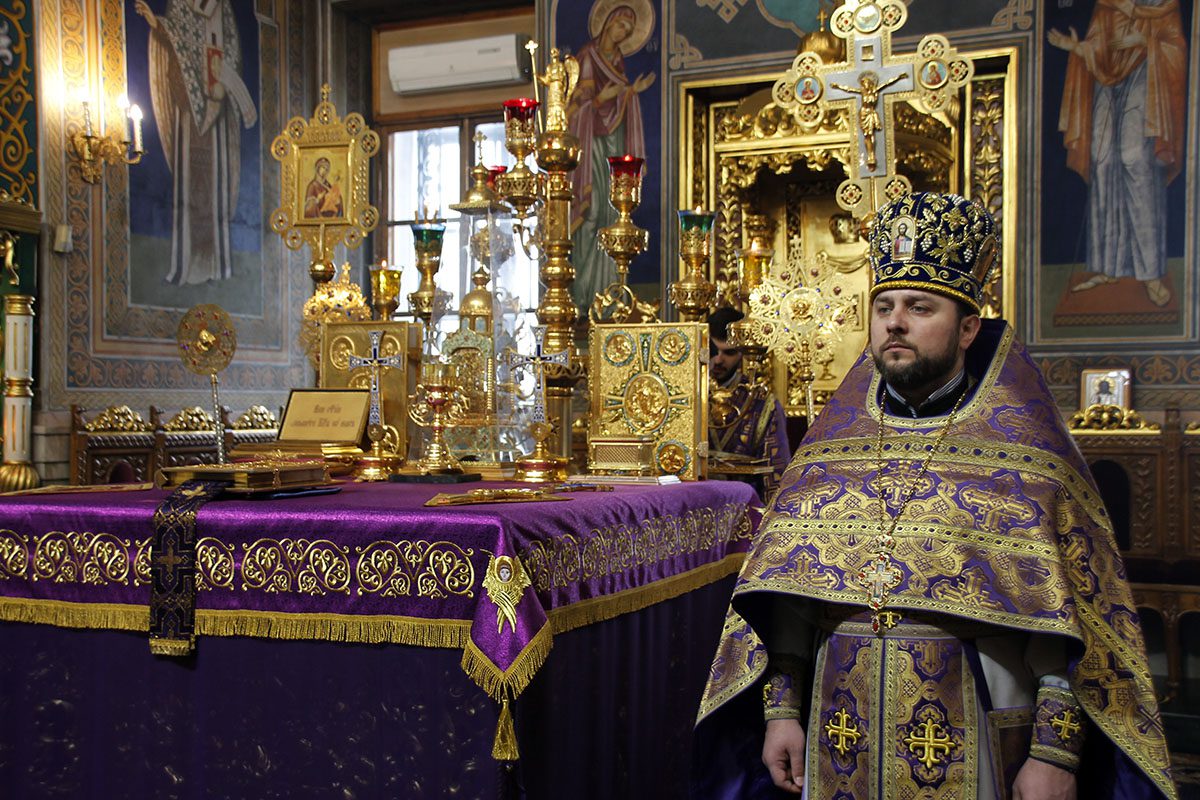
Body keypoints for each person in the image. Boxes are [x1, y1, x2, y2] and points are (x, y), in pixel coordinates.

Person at [695, 192, 1175, 799]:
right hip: (838, 728)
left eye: (919, 307)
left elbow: (1073, 623)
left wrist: (1055, 754)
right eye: (884, 306)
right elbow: (787, 601)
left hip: (976, 720)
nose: (895, 322)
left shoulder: (1027, 454)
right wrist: (781, 711)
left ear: (968, 327)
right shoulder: (826, 452)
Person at [1048, 0, 1187, 308]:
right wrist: (1076, 47)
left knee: (1135, 160)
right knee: (1102, 162)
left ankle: (1150, 272)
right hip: (1106, 84)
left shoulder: (1163, 4)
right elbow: (1100, 48)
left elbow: (1176, 47)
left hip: (1147, 76)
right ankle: (1108, 266)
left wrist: (1146, 41)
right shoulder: (1107, 5)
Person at [568, 2, 655, 310]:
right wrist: (598, 101)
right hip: (590, 143)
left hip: (612, 144)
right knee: (590, 213)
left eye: (628, 31)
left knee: (611, 216)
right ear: (608, 23)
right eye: (620, 26)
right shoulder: (587, 57)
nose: (622, 34)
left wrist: (631, 92)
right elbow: (574, 110)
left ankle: (609, 299)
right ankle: (583, 295)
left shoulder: (617, 61)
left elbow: (619, 99)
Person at [707, 307, 790, 499]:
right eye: (712, 350)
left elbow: (776, 473)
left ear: (741, 352)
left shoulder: (761, 402)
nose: (718, 359)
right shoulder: (684, 396)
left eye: (728, 353)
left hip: (745, 504)